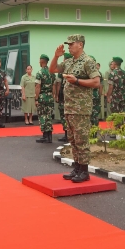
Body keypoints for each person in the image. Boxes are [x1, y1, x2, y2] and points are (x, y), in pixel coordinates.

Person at [49, 34, 101, 183]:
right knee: (72, 140)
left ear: (80, 45)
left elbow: (96, 82)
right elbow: (53, 69)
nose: (69, 47)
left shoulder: (88, 61)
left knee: (81, 140)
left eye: (72, 44)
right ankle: (77, 168)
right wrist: (56, 56)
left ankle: (84, 171)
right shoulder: (69, 62)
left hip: (81, 108)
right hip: (69, 107)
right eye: (69, 44)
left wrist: (77, 81)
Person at [34, 54, 56, 143]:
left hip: (42, 97)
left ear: (42, 61)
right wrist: (53, 96)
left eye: (40, 61)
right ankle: (49, 136)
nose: (39, 62)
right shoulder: (52, 73)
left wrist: (36, 99)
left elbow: (37, 87)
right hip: (50, 97)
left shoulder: (39, 73)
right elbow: (54, 86)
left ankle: (45, 136)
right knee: (49, 116)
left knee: (43, 116)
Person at [54, 53, 73, 141]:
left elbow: (58, 84)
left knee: (64, 115)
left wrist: (57, 95)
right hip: (72, 97)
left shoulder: (61, 71)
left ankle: (66, 135)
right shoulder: (73, 69)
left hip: (63, 96)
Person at [90, 57, 103, 127]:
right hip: (96, 94)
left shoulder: (86, 72)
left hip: (88, 95)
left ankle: (91, 130)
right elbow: (101, 86)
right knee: (95, 114)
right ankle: (95, 130)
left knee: (89, 114)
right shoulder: (98, 73)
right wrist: (99, 95)